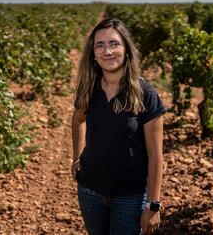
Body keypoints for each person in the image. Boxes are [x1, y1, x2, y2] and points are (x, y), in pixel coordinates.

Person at [71, 17, 166, 235]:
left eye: (114, 43)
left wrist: (153, 205)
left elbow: (156, 156)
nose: (108, 51)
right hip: (89, 191)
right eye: (100, 45)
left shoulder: (145, 95)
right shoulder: (89, 89)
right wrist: (76, 157)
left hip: (130, 197)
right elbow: (77, 120)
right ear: (93, 55)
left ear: (126, 49)